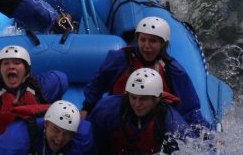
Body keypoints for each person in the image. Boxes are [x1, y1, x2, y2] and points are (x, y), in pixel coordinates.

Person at [81, 15, 210, 128]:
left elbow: (189, 109)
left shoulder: (173, 71)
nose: (146, 46)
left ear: (163, 44)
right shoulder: (121, 58)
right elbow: (98, 82)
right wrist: (87, 108)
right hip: (120, 114)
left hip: (153, 121)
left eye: (153, 41)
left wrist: (207, 134)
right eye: (143, 40)